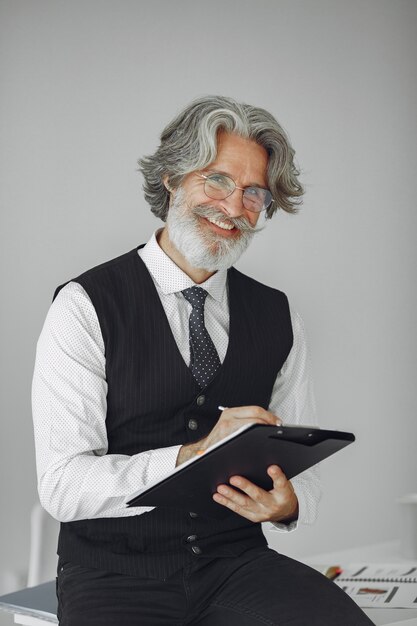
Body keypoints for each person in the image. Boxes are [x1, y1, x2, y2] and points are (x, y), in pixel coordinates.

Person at [32, 95, 373, 625]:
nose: (235, 208)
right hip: (114, 576)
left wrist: (288, 505)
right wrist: (190, 455)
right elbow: (62, 485)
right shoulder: (85, 305)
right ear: (172, 178)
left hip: (237, 564)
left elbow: (301, 471)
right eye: (217, 180)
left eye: (253, 192)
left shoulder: (279, 316)